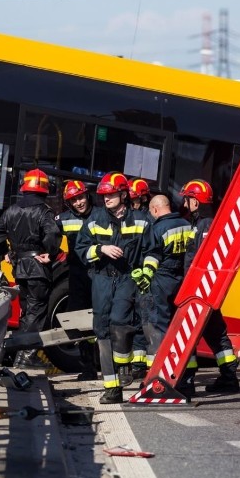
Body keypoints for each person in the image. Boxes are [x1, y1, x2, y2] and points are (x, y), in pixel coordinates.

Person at [75, 172, 152, 403]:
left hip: (127, 278)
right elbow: (81, 249)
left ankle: (124, 366)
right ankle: (112, 388)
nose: (105, 198)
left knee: (120, 322)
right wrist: (101, 250)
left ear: (122, 194)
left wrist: (146, 272)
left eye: (110, 194)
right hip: (102, 279)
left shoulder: (141, 220)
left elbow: (151, 251)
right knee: (101, 329)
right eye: (103, 195)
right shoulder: (95, 219)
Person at [0, 169, 61, 367]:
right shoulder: (44, 211)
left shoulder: (11, 210)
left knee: (25, 311)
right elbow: (52, 236)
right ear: (45, 190)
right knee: (36, 312)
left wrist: (6, 252)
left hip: (19, 268)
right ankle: (26, 357)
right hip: (38, 268)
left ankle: (20, 353)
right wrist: (51, 253)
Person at [180, 179, 240, 394]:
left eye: (187, 199)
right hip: (204, 289)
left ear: (195, 202)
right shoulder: (202, 223)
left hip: (200, 290)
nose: (184, 203)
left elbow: (201, 260)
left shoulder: (205, 225)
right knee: (216, 333)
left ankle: (187, 382)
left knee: (192, 334)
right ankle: (229, 377)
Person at [135, 195, 192, 389]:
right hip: (183, 278)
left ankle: (158, 376)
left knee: (159, 327)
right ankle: (186, 377)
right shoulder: (187, 224)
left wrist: (145, 277)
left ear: (155, 209)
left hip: (162, 279)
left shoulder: (157, 228)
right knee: (182, 327)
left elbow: (153, 256)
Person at [55, 180, 98, 377]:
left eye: (80, 197)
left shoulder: (101, 215)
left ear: (87, 195)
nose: (79, 203)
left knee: (103, 320)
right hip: (78, 275)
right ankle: (88, 367)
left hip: (100, 275)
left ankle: (107, 366)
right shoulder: (63, 219)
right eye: (73, 200)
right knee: (79, 322)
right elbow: (48, 235)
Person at [127, 177, 152, 381]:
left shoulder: (148, 220)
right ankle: (138, 363)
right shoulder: (130, 216)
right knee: (135, 321)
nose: (131, 203)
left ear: (143, 198)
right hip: (133, 275)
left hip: (146, 276)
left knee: (144, 320)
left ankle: (143, 365)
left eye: (134, 200)